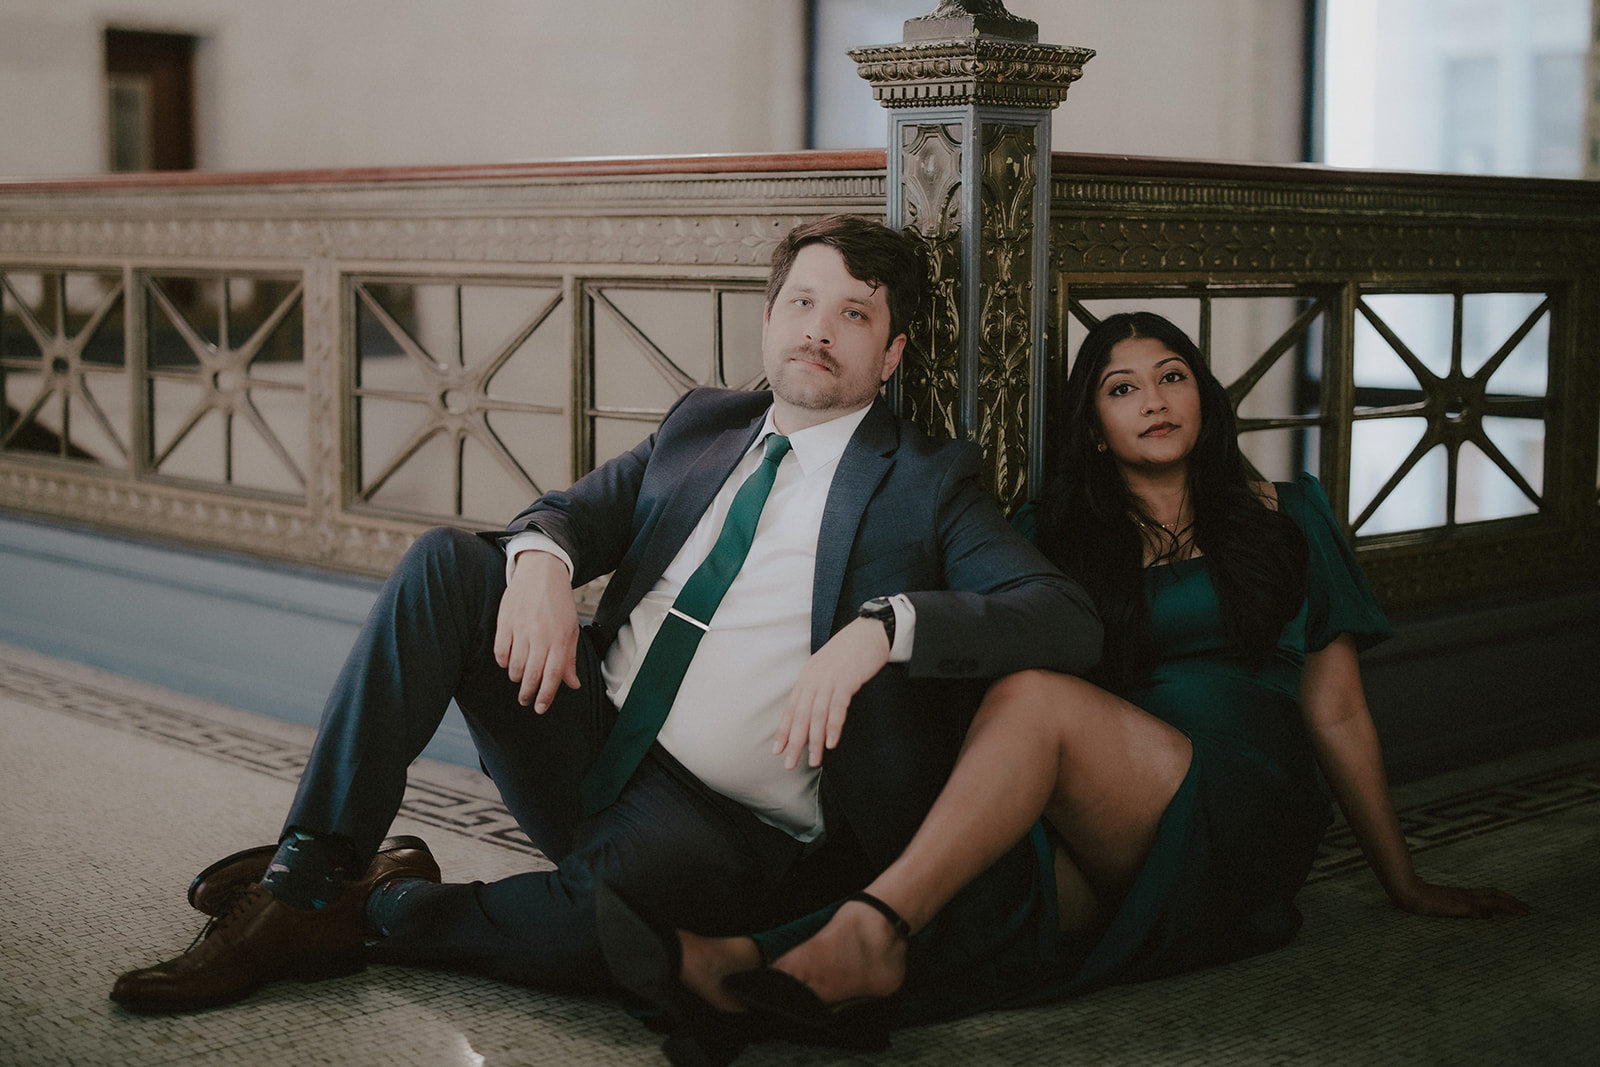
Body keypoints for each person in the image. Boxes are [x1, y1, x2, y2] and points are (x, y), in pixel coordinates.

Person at [108, 215, 1103, 1017]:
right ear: (768, 320)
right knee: (447, 562)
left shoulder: (925, 483)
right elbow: (571, 513)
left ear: (889, 355)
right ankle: (310, 871)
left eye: (853, 313)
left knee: (624, 935)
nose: (818, 327)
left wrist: (884, 626)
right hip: (580, 728)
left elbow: (1063, 615)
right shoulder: (703, 423)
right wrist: (541, 560)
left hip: (718, 822)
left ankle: (384, 903)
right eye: (802, 302)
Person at [610, 311, 1529, 1055]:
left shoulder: (1289, 514)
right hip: (1116, 794)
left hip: (1250, 793)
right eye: (1121, 388)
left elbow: (1337, 709)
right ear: (1093, 427)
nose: (1154, 400)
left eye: (1172, 376)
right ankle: (749, 966)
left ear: (1204, 397)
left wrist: (1404, 878)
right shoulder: (1057, 537)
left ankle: (854, 939)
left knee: (1034, 707)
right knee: (996, 900)